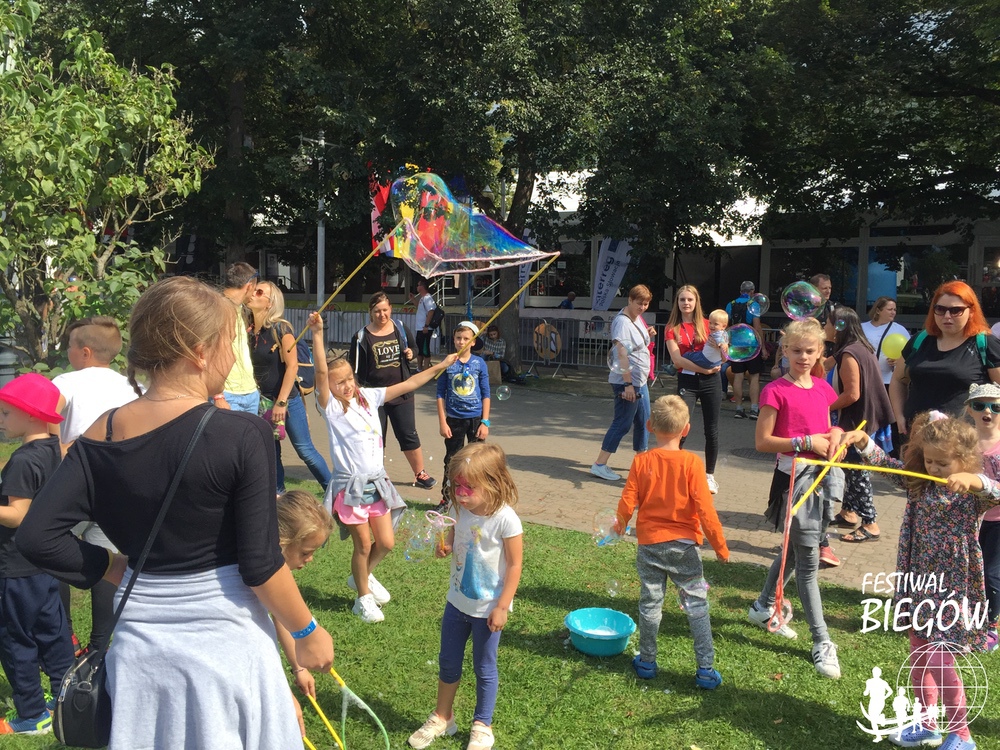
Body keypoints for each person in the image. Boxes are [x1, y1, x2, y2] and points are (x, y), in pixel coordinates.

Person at [18, 276, 334, 749]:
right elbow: (260, 564)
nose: (235, 357)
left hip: (141, 652)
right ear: (199, 351)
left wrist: (114, 567)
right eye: (230, 343)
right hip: (227, 648)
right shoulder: (242, 434)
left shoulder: (100, 435)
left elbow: (36, 536)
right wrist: (307, 629)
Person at [838, 412, 1000, 750]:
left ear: (964, 459)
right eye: (929, 461)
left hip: (952, 589)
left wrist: (974, 480)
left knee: (940, 660)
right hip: (918, 584)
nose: (934, 468)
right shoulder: (919, 483)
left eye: (943, 463)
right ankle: (926, 724)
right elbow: (888, 465)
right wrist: (864, 442)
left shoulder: (972, 495)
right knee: (919, 657)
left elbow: (996, 492)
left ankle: (962, 735)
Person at [308, 312, 457, 623]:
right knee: (363, 544)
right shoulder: (331, 408)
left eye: (349, 379)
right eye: (339, 383)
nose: (346, 386)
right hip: (351, 488)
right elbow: (320, 372)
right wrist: (318, 334)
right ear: (329, 387)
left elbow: (409, 383)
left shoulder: (367, 397)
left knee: (386, 542)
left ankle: (360, 577)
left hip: (377, 483)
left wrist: (441, 366)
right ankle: (362, 599)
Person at [407, 442, 523, 750]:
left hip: (488, 610)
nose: (460, 493)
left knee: (484, 668)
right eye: (456, 486)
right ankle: (443, 716)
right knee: (448, 661)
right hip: (457, 602)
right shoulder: (458, 509)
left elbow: (515, 565)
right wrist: (445, 546)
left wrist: (502, 606)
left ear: (493, 482)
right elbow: (452, 537)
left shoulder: (506, 519)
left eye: (468, 487)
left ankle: (482, 724)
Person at [748, 318, 843, 680]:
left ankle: (762, 606)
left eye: (810, 351)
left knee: (794, 549)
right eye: (796, 350)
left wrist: (834, 434)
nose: (803, 357)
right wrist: (805, 442)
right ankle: (822, 640)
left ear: (820, 352)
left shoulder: (823, 388)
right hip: (793, 481)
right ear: (784, 350)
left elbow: (827, 428)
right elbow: (762, 442)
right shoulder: (775, 391)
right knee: (808, 562)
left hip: (821, 480)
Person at [614, 395, 729, 688]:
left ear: (649, 425)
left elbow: (628, 500)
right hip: (685, 548)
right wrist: (720, 546)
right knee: (697, 606)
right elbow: (705, 509)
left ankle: (647, 662)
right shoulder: (692, 463)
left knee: (650, 604)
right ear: (686, 429)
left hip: (649, 545)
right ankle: (705, 670)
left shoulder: (641, 461)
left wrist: (620, 525)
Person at [52, 317, 138, 656]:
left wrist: (59, 447)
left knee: (50, 554)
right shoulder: (130, 386)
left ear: (85, 352)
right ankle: (99, 647)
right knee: (110, 564)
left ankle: (65, 637)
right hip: (116, 487)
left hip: (70, 488)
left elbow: (48, 420)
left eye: (70, 346)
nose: (67, 352)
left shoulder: (65, 381)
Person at [0, 374, 75, 734]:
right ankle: (65, 699)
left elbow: (17, 515)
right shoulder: (53, 450)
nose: (1, 420)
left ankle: (32, 714)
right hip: (44, 561)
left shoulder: (22, 460)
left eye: (5, 413)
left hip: (15, 566)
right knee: (52, 633)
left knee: (15, 637)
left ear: (30, 414)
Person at [248, 280, 331, 494]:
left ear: (270, 303)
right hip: (261, 402)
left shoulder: (281, 328)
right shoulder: (248, 330)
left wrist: (281, 402)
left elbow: (292, 366)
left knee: (305, 450)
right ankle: (278, 494)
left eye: (259, 292)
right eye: (253, 290)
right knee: (271, 452)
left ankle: (334, 492)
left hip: (287, 400)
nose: (253, 294)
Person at [889, 281, 1000, 435]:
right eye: (940, 309)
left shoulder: (985, 344)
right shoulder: (920, 340)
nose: (947, 316)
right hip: (916, 436)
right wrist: (899, 416)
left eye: (956, 310)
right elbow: (898, 380)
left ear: (971, 312)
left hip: (965, 440)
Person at [350, 291, 435, 490]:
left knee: (408, 434)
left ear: (391, 309)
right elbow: (353, 369)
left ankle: (420, 473)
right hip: (373, 397)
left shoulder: (400, 328)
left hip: (401, 393)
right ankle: (377, 474)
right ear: (370, 312)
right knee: (376, 438)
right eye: (377, 311)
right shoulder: (361, 336)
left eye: (385, 310)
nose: (382, 315)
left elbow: (415, 348)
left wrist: (411, 352)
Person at [824, 306, 894, 545]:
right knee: (849, 467)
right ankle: (848, 512)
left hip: (857, 421)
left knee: (856, 470)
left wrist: (825, 407)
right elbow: (824, 365)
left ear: (838, 326)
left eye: (827, 323)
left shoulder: (849, 353)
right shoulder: (856, 347)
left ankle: (870, 523)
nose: (825, 327)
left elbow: (852, 394)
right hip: (862, 418)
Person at [273, 490, 335, 731]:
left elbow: (282, 617)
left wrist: (299, 668)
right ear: (281, 542)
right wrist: (282, 694)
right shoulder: (247, 580)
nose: (310, 560)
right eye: (306, 552)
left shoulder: (275, 571)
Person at [591, 285, 655, 482]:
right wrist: (628, 385)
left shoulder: (636, 319)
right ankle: (600, 464)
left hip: (639, 380)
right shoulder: (622, 322)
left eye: (646, 304)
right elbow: (621, 354)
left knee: (644, 420)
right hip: (628, 382)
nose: (642, 307)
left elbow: (636, 343)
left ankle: (641, 462)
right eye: (639, 303)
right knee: (622, 423)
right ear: (630, 300)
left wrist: (648, 333)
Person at [663, 285, 722, 494]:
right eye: (682, 300)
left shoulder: (709, 324)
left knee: (711, 430)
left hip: (712, 382)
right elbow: (677, 360)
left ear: (696, 302)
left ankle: (709, 476)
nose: (686, 303)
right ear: (677, 303)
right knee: (680, 427)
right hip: (687, 381)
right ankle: (672, 473)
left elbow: (724, 351)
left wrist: (723, 354)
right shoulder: (672, 328)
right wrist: (703, 370)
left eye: (690, 299)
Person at [437, 322, 491, 501]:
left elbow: (486, 394)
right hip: (454, 419)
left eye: (466, 338)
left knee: (478, 461)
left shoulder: (479, 363)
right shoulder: (448, 362)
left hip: (476, 419)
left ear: (473, 342)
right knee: (452, 460)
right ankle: (447, 499)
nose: (462, 342)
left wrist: (485, 422)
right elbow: (440, 394)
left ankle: (478, 497)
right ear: (453, 339)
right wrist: (443, 422)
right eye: (458, 338)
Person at [966, 383, 1000, 652]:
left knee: (991, 574)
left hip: (998, 521)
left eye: (995, 407)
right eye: (980, 406)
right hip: (971, 519)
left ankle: (991, 626)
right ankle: (970, 618)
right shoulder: (965, 442)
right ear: (970, 409)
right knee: (971, 572)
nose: (987, 411)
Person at [218, 261, 261, 414]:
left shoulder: (240, 308)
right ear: (249, 286)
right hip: (228, 394)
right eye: (255, 288)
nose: (254, 293)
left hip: (249, 391)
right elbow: (214, 352)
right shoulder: (219, 308)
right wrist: (218, 395)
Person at [726, 281, 765, 419]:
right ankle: (754, 409)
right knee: (754, 377)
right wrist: (763, 348)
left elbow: (727, 325)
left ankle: (738, 408)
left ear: (740, 290)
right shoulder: (754, 305)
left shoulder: (730, 304)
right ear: (752, 291)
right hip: (751, 345)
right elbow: (757, 327)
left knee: (738, 376)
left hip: (735, 345)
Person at [861, 297, 910, 388]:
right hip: (865, 378)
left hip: (889, 379)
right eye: (890, 309)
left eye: (895, 310)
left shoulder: (899, 329)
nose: (893, 312)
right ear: (878, 311)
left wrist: (899, 361)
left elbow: (909, 353)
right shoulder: (862, 328)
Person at [413, 279, 437, 372]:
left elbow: (431, 311)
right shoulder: (422, 298)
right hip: (420, 328)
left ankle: (426, 369)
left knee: (425, 349)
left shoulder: (427, 298)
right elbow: (419, 308)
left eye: (418, 285)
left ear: (422, 287)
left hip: (425, 328)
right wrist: (413, 299)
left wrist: (426, 325)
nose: (417, 287)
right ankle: (419, 367)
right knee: (419, 348)